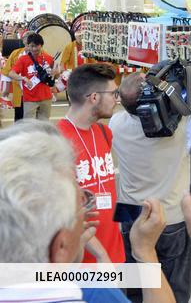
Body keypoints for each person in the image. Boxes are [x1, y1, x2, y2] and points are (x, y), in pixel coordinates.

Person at [0, 120, 175, 303]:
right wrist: (146, 252)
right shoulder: (92, 293)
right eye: (77, 206)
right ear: (60, 247)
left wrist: (71, 259)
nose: (86, 204)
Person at [112, 69, 191, 303]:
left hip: (129, 214)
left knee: (137, 288)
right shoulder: (184, 126)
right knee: (174, 288)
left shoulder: (117, 123)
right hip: (170, 217)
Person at [56, 63, 126, 264]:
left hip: (114, 256)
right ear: (94, 97)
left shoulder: (104, 133)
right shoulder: (58, 142)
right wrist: (100, 254)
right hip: (83, 263)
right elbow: (63, 214)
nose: (117, 99)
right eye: (113, 93)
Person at [8, 32, 58, 120]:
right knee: (29, 125)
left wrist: (56, 72)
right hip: (30, 98)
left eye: (37, 46)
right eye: (31, 46)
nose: (34, 49)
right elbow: (11, 73)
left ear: (41, 45)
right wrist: (23, 78)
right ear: (28, 45)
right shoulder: (23, 59)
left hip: (46, 97)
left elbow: (55, 76)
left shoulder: (48, 58)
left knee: (44, 124)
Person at [0, 30, 30, 121]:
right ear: (23, 41)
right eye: (26, 41)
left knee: (33, 117)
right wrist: (5, 91)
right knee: (19, 116)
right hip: (20, 91)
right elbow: (7, 71)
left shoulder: (41, 53)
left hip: (35, 92)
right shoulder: (16, 53)